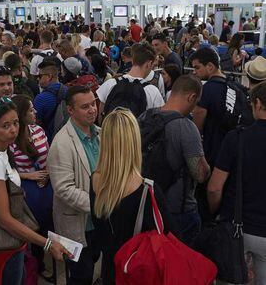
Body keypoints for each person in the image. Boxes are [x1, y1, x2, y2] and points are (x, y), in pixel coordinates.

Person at [0, 97, 71, 284]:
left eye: (15, 123)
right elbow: (4, 219)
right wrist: (48, 244)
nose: (13, 130)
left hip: (9, 240)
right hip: (4, 243)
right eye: (5, 125)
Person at [90, 108, 173, 284]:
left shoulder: (94, 180)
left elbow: (99, 229)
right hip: (137, 273)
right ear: (134, 141)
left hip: (110, 270)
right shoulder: (147, 189)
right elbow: (168, 238)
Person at [139, 76, 211, 245]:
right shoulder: (186, 126)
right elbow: (199, 173)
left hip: (147, 204)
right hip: (179, 211)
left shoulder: (144, 117)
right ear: (191, 97)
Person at [207, 81, 266, 284]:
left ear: (257, 104)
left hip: (238, 228)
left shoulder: (237, 138)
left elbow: (214, 187)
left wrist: (215, 211)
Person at [47, 86, 100, 284]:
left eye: (93, 103)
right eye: (85, 107)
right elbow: (64, 189)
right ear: (70, 110)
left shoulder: (99, 135)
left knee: (92, 263)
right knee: (80, 275)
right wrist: (98, 204)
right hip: (78, 226)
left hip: (98, 223)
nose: (92, 110)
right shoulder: (62, 143)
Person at [10, 95, 54, 279]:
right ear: (21, 115)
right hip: (29, 189)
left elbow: (50, 153)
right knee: (33, 229)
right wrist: (31, 175)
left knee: (49, 225)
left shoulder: (38, 130)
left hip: (47, 185)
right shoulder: (11, 140)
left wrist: (48, 173)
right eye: (30, 110)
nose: (35, 112)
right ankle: (36, 265)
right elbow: (9, 171)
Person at [96, 43, 165, 123]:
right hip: (136, 135)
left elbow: (101, 117)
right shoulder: (152, 91)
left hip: (111, 133)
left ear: (133, 61)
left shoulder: (110, 84)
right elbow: (158, 122)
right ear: (149, 64)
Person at [33, 59, 67, 144]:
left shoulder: (41, 99)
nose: (38, 79)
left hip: (48, 142)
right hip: (67, 139)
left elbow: (35, 125)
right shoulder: (68, 91)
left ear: (49, 77)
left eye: (40, 76)